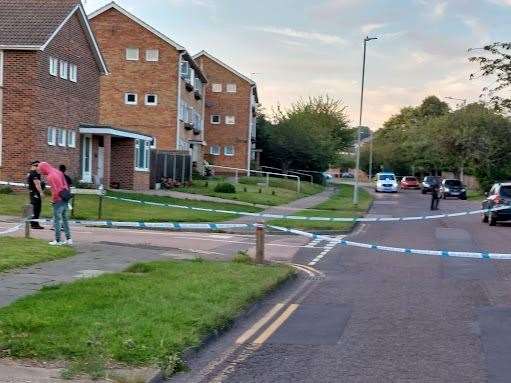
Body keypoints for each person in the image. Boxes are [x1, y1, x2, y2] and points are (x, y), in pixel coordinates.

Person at [37, 162, 72, 246]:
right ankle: (69, 239)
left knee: (57, 220)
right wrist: (66, 195)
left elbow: (55, 190)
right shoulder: (58, 172)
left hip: (58, 200)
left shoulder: (50, 176)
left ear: (44, 168)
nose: (41, 172)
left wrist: (54, 200)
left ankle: (57, 240)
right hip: (65, 197)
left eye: (41, 170)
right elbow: (65, 185)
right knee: (65, 220)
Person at [27, 161, 44, 229]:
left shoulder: (30, 173)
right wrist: (41, 192)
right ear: (35, 166)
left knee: (34, 208)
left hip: (32, 192)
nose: (39, 168)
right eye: (38, 166)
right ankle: (34, 224)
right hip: (35, 193)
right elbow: (37, 184)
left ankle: (34, 223)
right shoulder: (34, 174)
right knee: (36, 208)